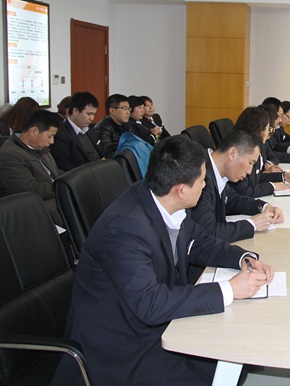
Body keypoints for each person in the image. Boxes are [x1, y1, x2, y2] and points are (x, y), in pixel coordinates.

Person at [51, 136, 274, 385]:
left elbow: (200, 242)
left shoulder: (162, 200)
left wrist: (243, 258)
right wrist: (229, 289)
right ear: (181, 190)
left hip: (157, 327)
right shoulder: (124, 228)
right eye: (202, 181)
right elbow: (150, 304)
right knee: (220, 370)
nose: (205, 185)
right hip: (122, 347)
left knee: (235, 362)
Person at [191, 127, 284, 246]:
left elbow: (233, 200)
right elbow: (209, 231)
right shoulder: (200, 178)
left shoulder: (215, 171)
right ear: (232, 153)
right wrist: (252, 224)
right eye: (250, 163)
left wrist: (265, 207)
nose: (249, 171)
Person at [0, 109, 64, 225]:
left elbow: (55, 172)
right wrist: (63, 185)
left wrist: (72, 178)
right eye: (50, 136)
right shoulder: (10, 156)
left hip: (54, 200)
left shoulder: (40, 148)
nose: (52, 141)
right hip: (37, 211)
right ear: (34, 131)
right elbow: (31, 190)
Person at [230, 106, 290, 198]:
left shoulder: (253, 147)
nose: (269, 134)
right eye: (268, 129)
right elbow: (243, 190)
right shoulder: (242, 151)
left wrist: (283, 176)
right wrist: (272, 187)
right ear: (257, 129)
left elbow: (254, 178)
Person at [50, 91, 104, 171]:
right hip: (84, 174)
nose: (92, 118)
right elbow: (62, 163)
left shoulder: (90, 130)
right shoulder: (61, 133)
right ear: (75, 111)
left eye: (94, 114)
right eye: (89, 114)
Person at [94, 93, 132, 158]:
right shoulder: (104, 127)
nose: (128, 112)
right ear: (112, 110)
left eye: (129, 109)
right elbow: (108, 154)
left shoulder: (126, 125)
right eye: (124, 108)